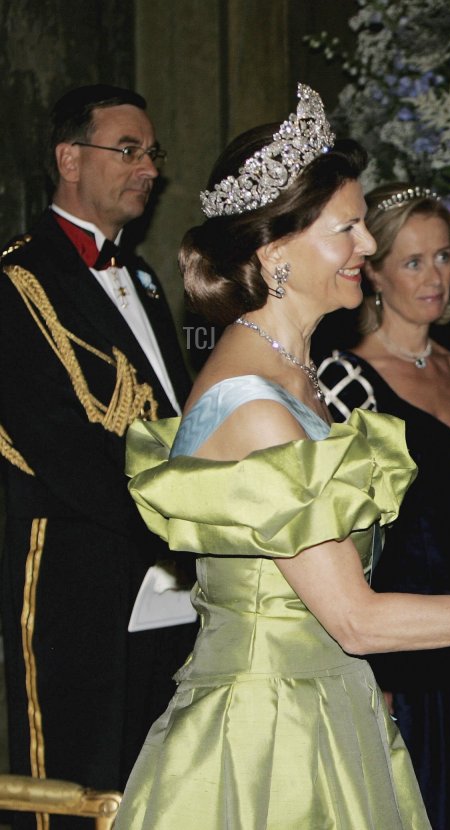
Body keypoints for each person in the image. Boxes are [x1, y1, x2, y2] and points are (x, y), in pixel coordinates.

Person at [111, 84, 450, 830]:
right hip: (271, 742)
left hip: (324, 705)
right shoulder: (254, 406)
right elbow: (356, 620)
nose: (368, 247)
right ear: (275, 254)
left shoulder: (292, 375)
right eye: (348, 229)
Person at [0, 84, 195, 803]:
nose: (149, 168)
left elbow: (174, 411)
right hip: (74, 564)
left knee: (157, 774)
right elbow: (56, 443)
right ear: (69, 159)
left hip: (163, 570)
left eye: (152, 152)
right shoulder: (18, 278)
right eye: (129, 150)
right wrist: (175, 521)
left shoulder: (141, 276)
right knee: (74, 777)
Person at [316, 183, 450, 830]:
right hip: (399, 651)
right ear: (375, 273)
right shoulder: (344, 381)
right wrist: (370, 671)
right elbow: (340, 535)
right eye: (413, 262)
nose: (434, 277)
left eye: (443, 256)